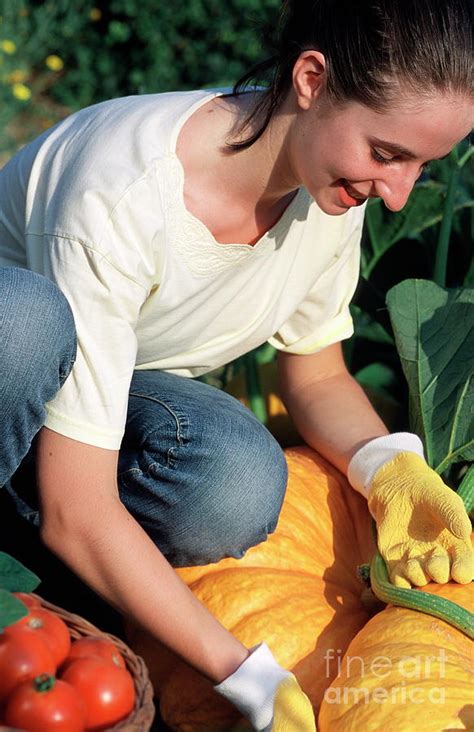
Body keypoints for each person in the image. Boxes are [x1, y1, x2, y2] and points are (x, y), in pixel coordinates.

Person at [0, 0, 472, 728]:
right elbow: (78, 508)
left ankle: (35, 557)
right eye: (386, 153)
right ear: (311, 78)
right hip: (13, 363)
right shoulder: (122, 190)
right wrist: (243, 673)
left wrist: (391, 468)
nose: (399, 192)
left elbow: (316, 374)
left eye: (423, 165)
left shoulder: (328, 194)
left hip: (99, 391)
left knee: (237, 483)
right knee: (23, 324)